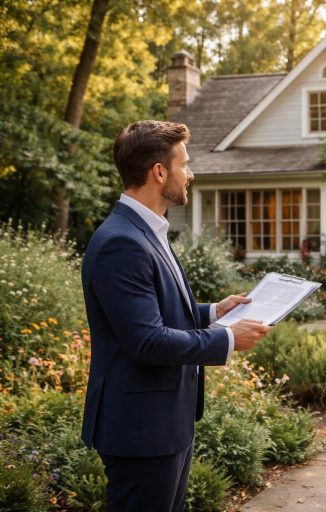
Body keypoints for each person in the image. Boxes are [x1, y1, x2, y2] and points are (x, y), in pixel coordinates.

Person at [80, 120, 271, 511]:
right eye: (184, 163)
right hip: (141, 429)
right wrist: (229, 338)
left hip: (167, 422)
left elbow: (155, 313)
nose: (191, 173)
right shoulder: (121, 241)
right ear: (160, 172)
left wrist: (213, 312)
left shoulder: (148, 231)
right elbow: (146, 341)